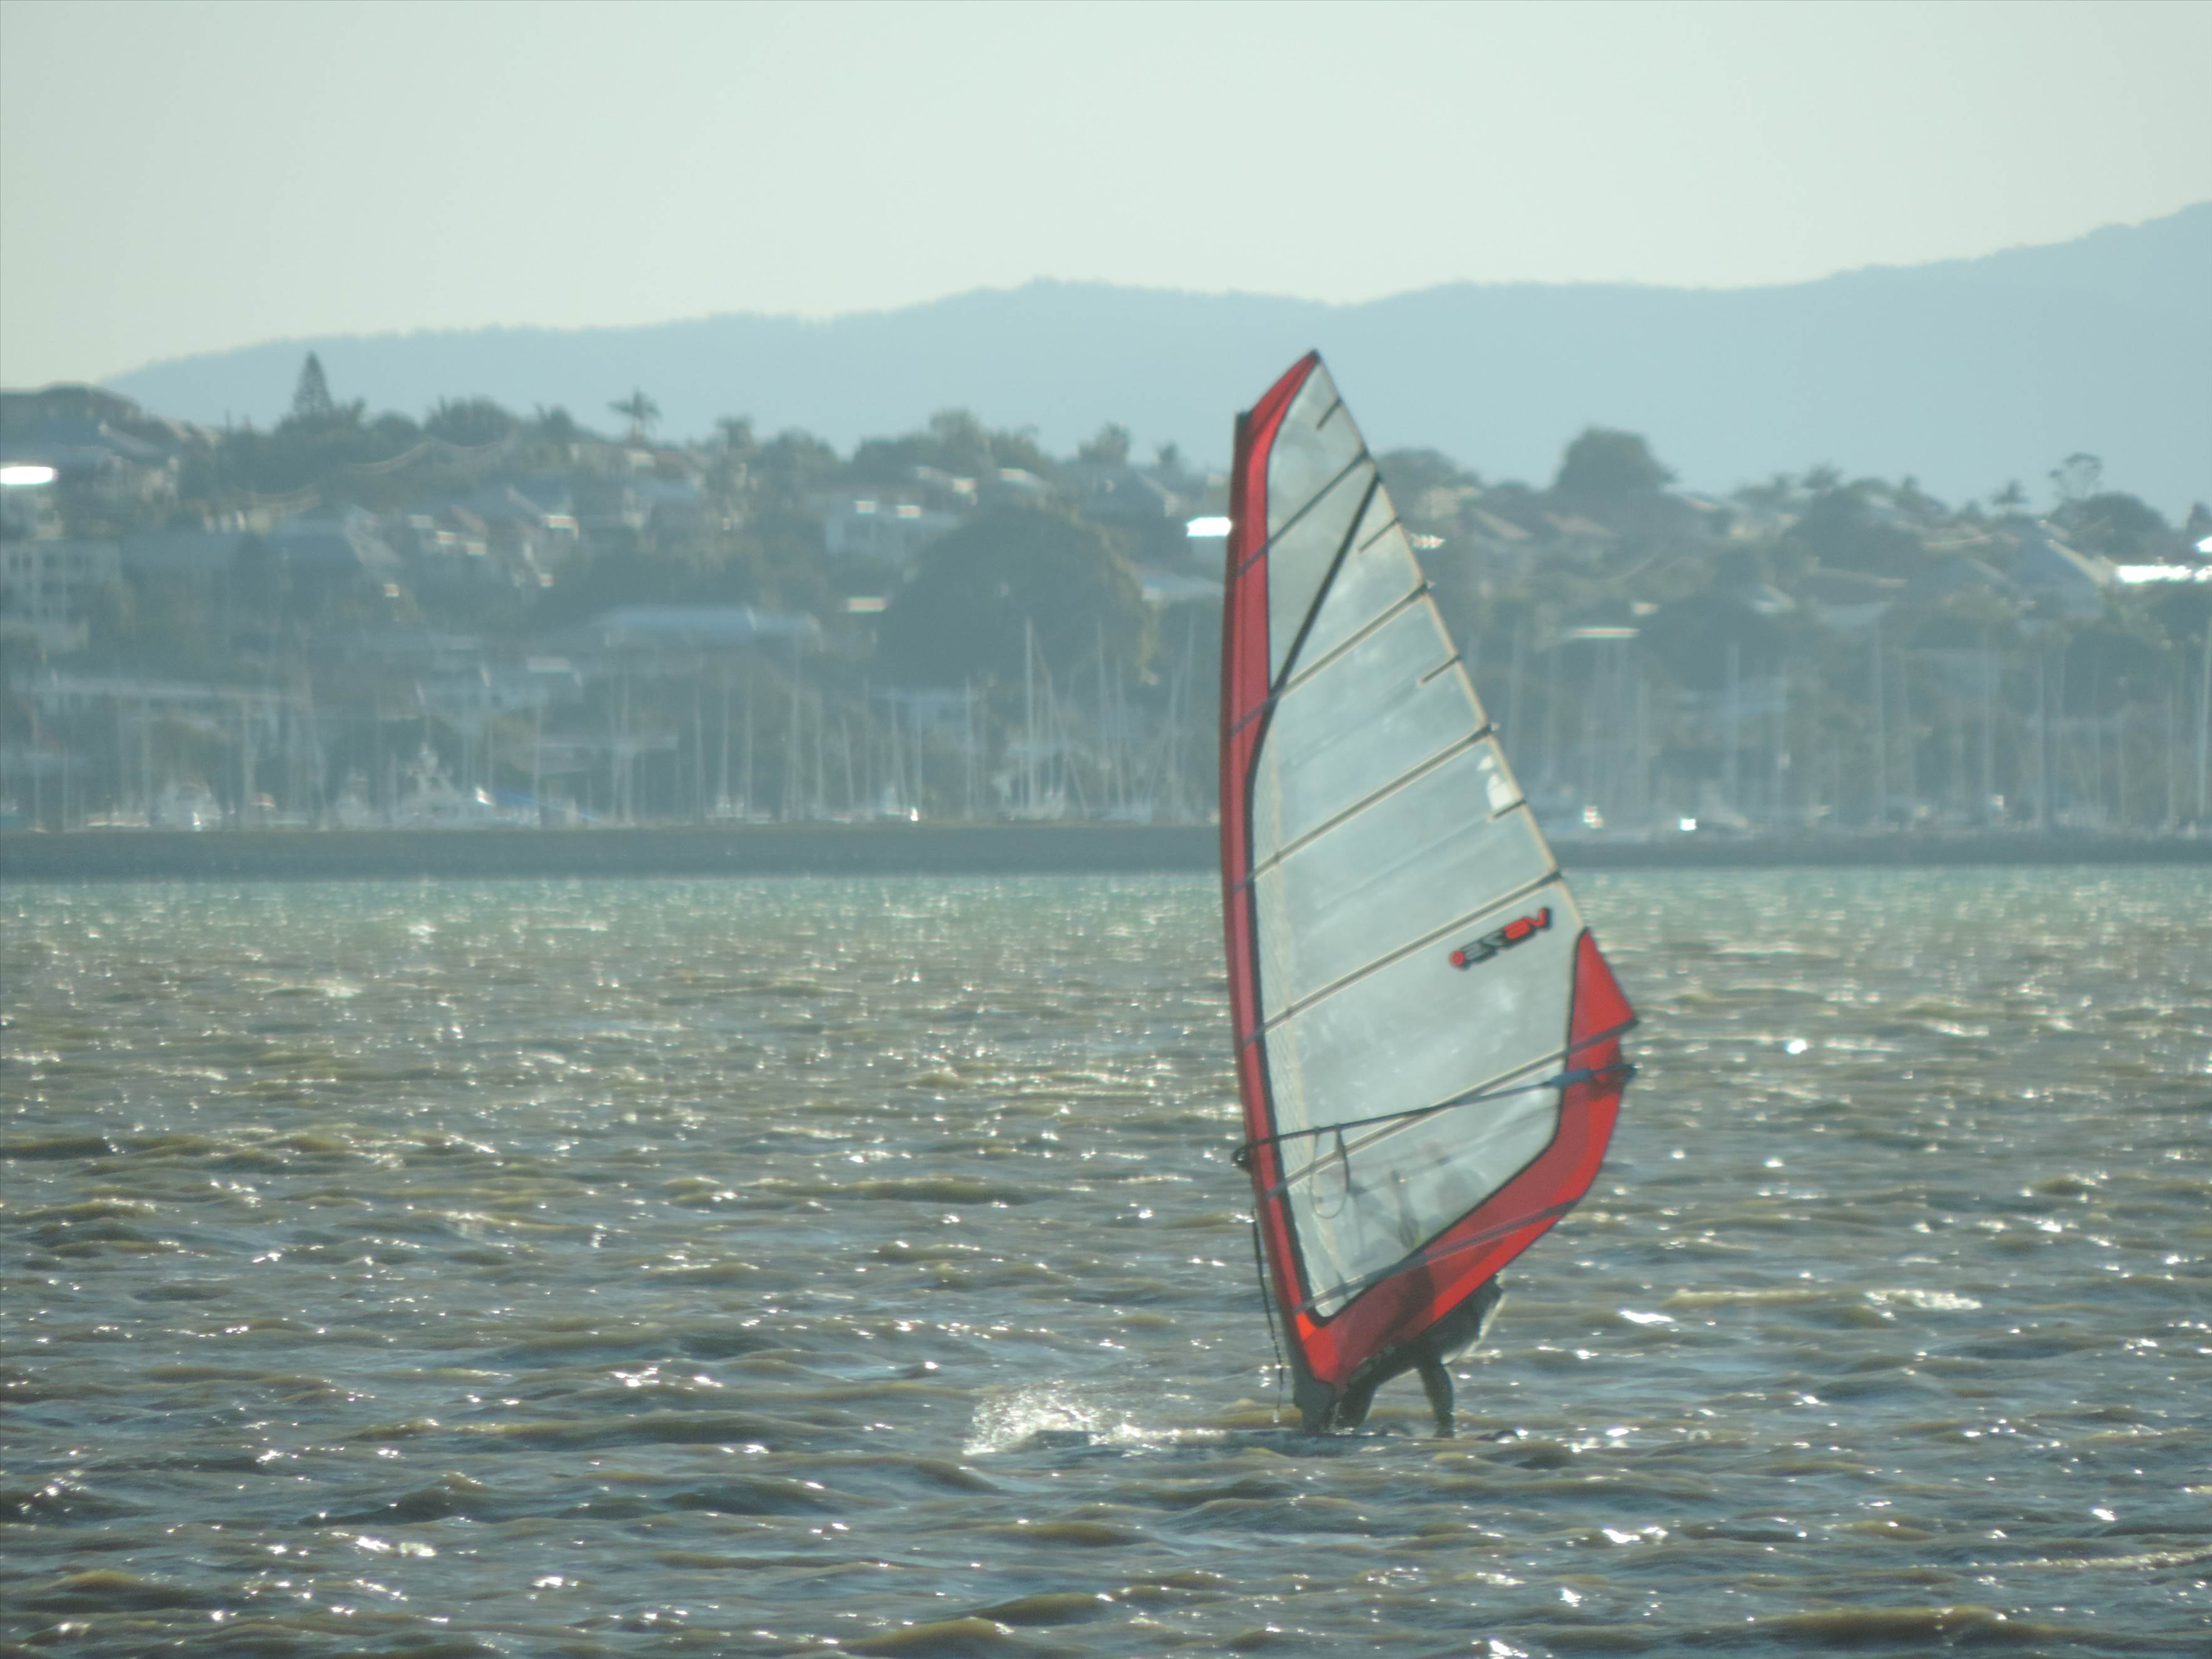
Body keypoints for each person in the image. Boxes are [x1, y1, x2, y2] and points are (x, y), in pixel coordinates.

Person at [1306, 1276, 1503, 1438]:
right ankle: (1337, 1434)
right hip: (1417, 1321)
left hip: (1462, 1315)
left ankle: (1446, 1429)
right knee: (1363, 1378)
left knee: (1425, 1351)